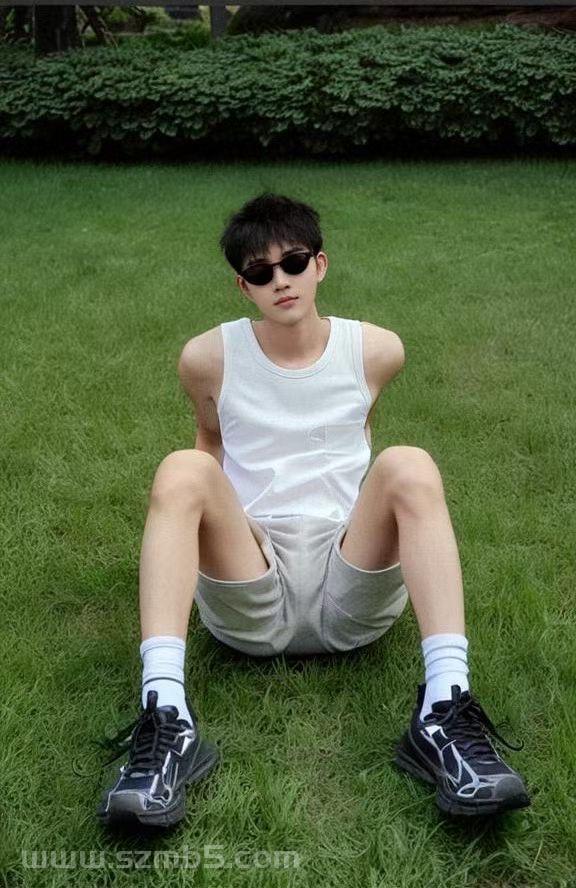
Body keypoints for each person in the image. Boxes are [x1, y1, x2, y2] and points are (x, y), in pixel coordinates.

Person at [97, 192, 530, 827]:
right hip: (252, 584)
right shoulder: (207, 358)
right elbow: (211, 444)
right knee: (182, 468)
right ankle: (166, 717)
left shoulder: (377, 350)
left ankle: (445, 710)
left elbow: (359, 431)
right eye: (260, 272)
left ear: (319, 265)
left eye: (293, 262)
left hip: (349, 585)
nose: (281, 281)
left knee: (409, 463)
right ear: (243, 287)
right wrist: (213, 529)